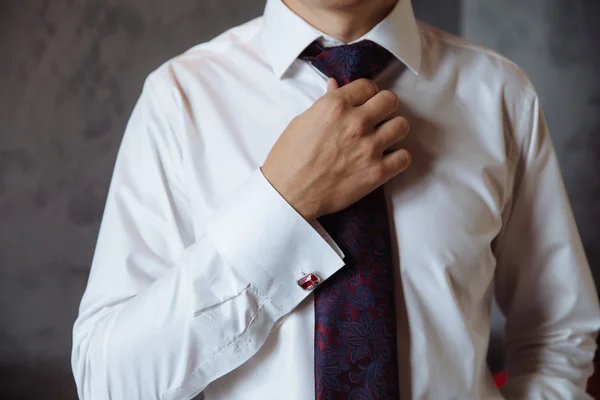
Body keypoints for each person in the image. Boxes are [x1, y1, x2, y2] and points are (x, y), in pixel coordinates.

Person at [71, 0, 600, 398]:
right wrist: (281, 204)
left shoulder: (501, 94)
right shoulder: (179, 99)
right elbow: (108, 380)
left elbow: (558, 335)